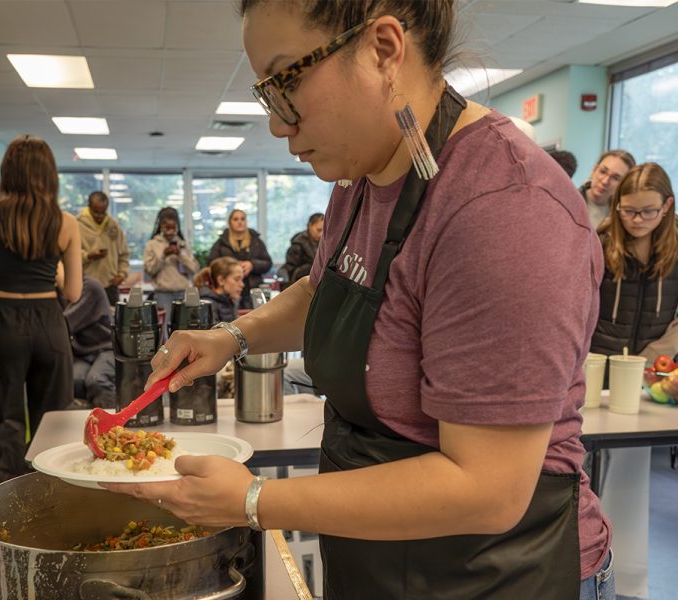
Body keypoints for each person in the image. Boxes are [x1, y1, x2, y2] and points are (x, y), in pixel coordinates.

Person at [104, 3, 614, 598]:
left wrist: (253, 499)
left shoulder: (505, 210)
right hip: (384, 564)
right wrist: (231, 338)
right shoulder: (363, 173)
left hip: (496, 572)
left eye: (286, 80)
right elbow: (326, 292)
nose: (276, 123)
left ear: (383, 49)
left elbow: (489, 488)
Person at [0, 134, 82, 487]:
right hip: (48, 322)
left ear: (8, 171)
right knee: (54, 422)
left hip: (3, 319)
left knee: (3, 422)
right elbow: (71, 290)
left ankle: (5, 505)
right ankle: (53, 501)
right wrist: (49, 264)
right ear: (50, 175)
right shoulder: (66, 221)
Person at [591, 163, 678, 361]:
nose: (637, 220)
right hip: (598, 362)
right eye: (628, 210)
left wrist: (652, 357)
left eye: (648, 211)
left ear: (666, 205)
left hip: (654, 367)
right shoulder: (601, 243)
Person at [144, 209, 199, 331]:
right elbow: (149, 270)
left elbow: (194, 269)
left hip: (183, 292)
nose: (169, 231)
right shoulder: (152, 244)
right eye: (166, 227)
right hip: (163, 293)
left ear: (177, 226)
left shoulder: (183, 244)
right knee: (165, 331)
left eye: (172, 227)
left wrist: (180, 255)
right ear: (161, 226)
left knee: (185, 328)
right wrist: (163, 255)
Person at [65, 275, 115, 409]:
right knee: (74, 380)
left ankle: (111, 425)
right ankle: (85, 422)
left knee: (97, 380)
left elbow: (65, 324)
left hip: (107, 349)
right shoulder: (59, 291)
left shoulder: (89, 287)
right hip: (82, 352)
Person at [208, 209, 272, 309]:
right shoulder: (221, 243)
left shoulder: (256, 241)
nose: (240, 222)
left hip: (253, 290)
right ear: (230, 222)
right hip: (229, 292)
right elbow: (211, 264)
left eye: (242, 219)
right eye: (236, 219)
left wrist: (252, 265)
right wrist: (232, 268)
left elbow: (268, 263)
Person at [77, 191, 130, 306]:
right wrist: (88, 256)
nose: (100, 216)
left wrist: (122, 274)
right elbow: (69, 257)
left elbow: (124, 254)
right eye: (96, 212)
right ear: (89, 207)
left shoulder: (113, 226)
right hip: (86, 285)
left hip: (110, 285)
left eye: (103, 212)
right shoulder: (77, 225)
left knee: (112, 320)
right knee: (86, 321)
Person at [580, 149, 636, 230]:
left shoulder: (623, 217)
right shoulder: (570, 201)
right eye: (602, 171)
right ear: (594, 170)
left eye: (615, 178)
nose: (605, 181)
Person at [194, 257, 244, 323]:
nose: (242, 285)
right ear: (221, 280)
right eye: (236, 279)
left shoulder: (231, 300)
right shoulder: (208, 304)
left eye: (242, 279)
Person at [284, 213, 324, 284]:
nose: (321, 234)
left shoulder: (325, 242)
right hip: (301, 283)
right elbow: (291, 270)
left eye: (323, 231)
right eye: (318, 230)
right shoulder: (298, 244)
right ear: (310, 225)